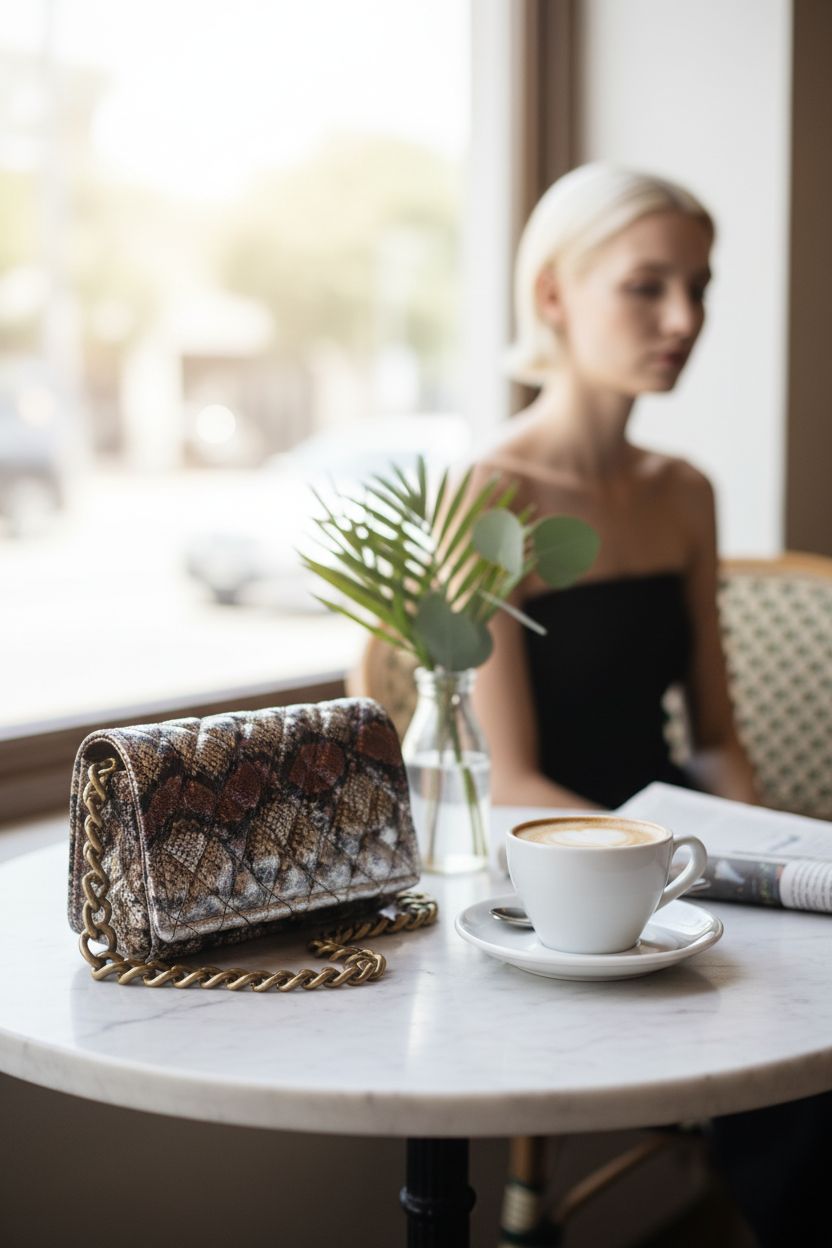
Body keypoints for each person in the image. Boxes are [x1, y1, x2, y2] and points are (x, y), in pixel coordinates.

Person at [467, 162, 829, 1248]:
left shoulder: (684, 492)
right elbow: (511, 777)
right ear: (552, 295)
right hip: (565, 876)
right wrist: (670, 873)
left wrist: (774, 860)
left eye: (699, 287)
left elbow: (715, 740)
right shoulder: (488, 496)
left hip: (685, 849)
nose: (685, 319)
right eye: (647, 286)